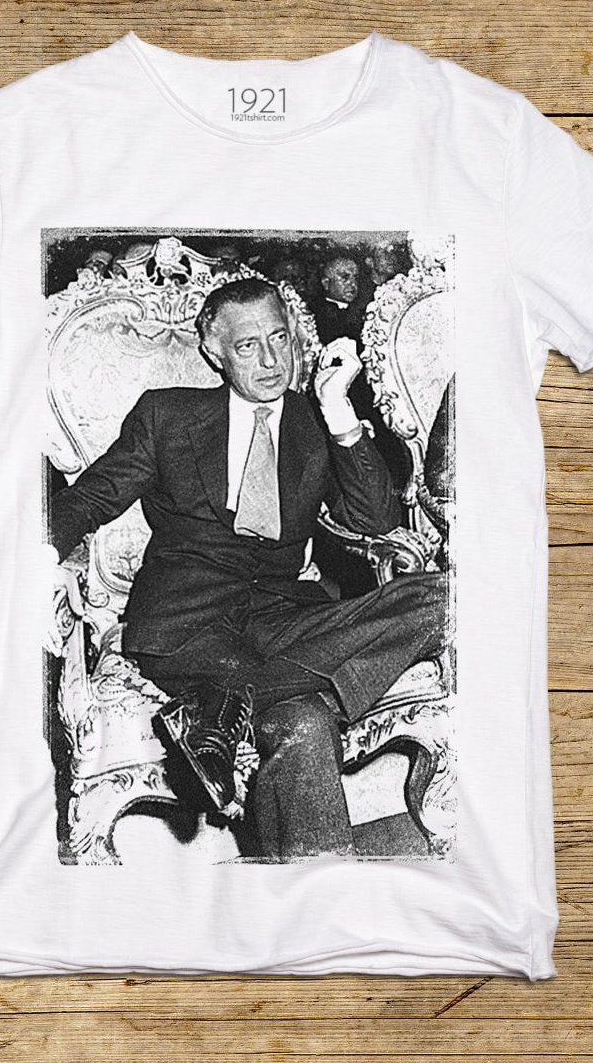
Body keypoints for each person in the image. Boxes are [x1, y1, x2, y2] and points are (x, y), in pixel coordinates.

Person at [50, 277, 448, 859]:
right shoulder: (168, 415)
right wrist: (36, 555)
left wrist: (339, 410)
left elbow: (375, 518)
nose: (269, 361)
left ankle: (218, 711)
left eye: (279, 338)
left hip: (285, 616)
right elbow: (91, 497)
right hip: (188, 621)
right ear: (215, 353)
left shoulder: (315, 422)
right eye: (247, 346)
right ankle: (315, 887)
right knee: (302, 721)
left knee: (446, 598)